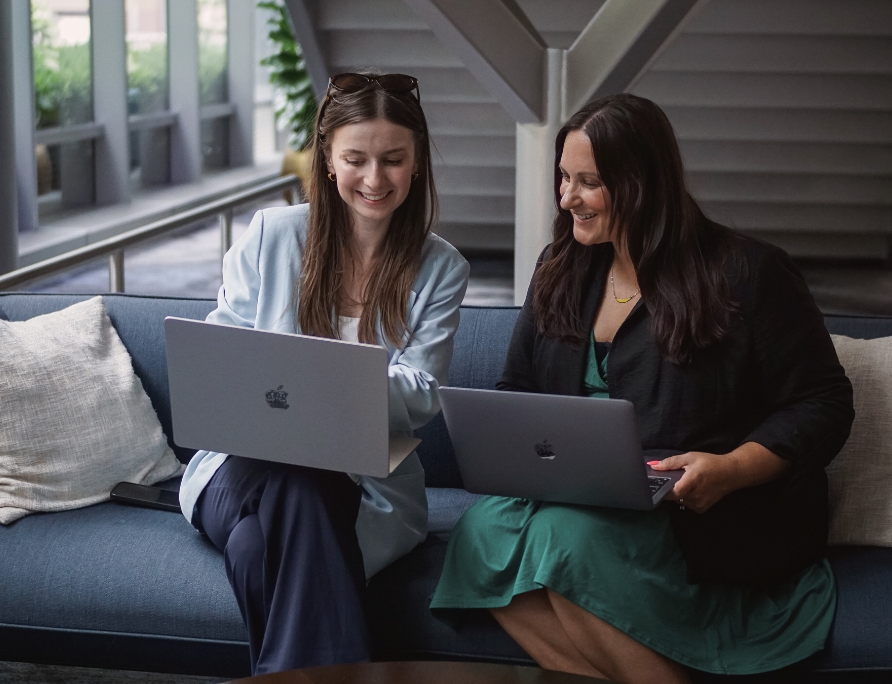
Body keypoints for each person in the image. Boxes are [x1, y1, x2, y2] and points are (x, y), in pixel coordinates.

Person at [429, 93, 854, 683]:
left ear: (642, 184)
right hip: (577, 494)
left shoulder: (748, 272)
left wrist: (731, 468)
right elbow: (517, 389)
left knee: (561, 535)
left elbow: (823, 403)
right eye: (563, 178)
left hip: (705, 512)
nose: (566, 197)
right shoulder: (560, 266)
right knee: (479, 531)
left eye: (588, 182)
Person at [178, 72, 469, 675]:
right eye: (356, 159)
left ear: (416, 165)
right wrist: (328, 382)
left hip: (366, 479)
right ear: (328, 161)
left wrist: (327, 378)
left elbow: (421, 398)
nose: (374, 178)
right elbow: (222, 356)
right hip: (243, 467)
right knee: (297, 479)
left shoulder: (440, 267)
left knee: (261, 548)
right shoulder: (272, 235)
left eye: (393, 160)